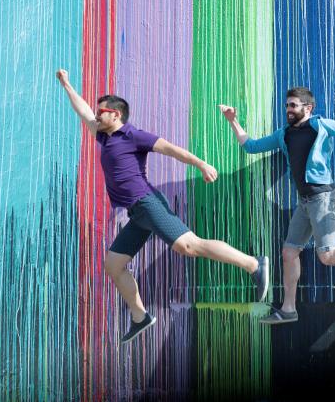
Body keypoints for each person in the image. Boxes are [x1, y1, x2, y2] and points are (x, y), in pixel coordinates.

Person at [56, 69, 268, 343]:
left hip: (148, 203)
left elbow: (171, 149)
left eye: (102, 111)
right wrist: (67, 85)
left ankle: (253, 264)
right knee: (113, 264)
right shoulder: (104, 135)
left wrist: (201, 164)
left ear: (116, 114)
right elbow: (83, 111)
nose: (97, 115)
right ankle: (140, 316)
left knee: (189, 246)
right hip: (137, 213)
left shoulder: (134, 135)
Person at [219, 87, 335, 325]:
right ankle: (288, 309)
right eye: (287, 105)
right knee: (289, 253)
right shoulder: (283, 134)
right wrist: (233, 120)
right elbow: (251, 146)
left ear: (307, 108)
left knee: (327, 256)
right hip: (304, 201)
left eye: (293, 105)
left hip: (323, 198)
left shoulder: (322, 126)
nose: (288, 109)